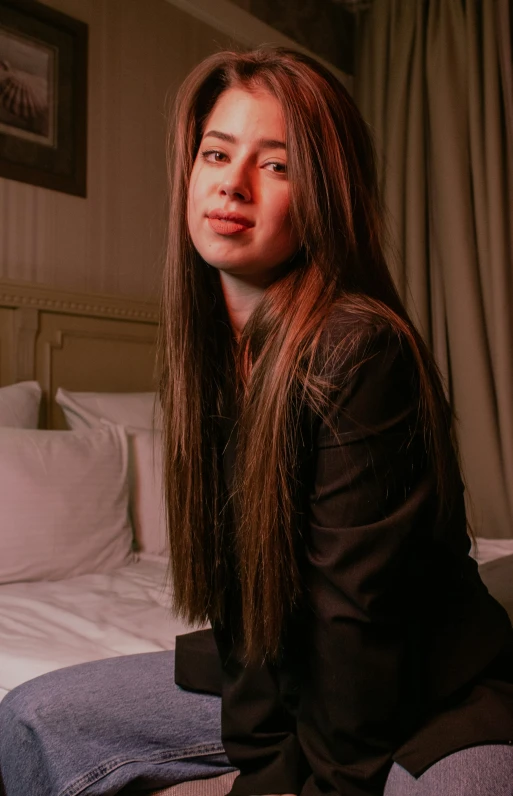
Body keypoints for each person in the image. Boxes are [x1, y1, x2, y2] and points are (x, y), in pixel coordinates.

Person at [1, 46, 513, 796]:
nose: (232, 184)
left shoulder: (357, 346)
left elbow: (355, 627)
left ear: (324, 196)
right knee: (32, 716)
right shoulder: (210, 354)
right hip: (285, 674)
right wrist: (265, 759)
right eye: (216, 152)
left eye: (277, 165)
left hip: (418, 688)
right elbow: (245, 598)